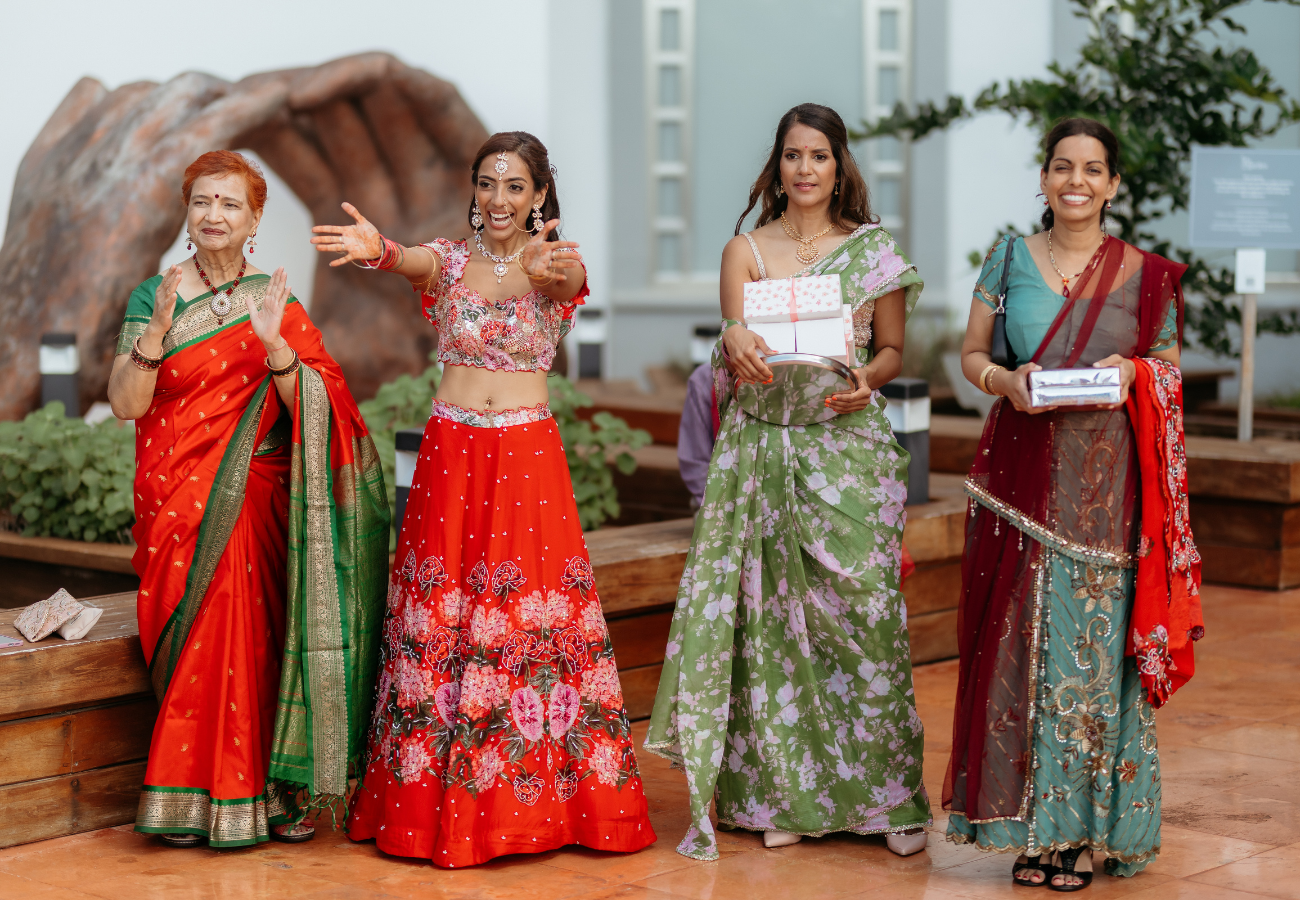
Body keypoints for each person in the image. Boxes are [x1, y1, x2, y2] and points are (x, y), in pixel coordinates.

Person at [312, 131, 655, 869]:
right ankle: (423, 803)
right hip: (452, 454)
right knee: (444, 612)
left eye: (515, 187)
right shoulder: (453, 261)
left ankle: (532, 809)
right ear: (474, 192)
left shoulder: (558, 261)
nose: (499, 200)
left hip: (526, 455)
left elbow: (566, 284)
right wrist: (379, 248)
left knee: (526, 610)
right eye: (488, 184)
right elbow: (412, 261)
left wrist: (542, 270)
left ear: (538, 198)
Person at [644, 103, 931, 861]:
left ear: (841, 167)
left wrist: (869, 378)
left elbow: (894, 350)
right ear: (776, 166)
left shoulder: (872, 254)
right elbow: (734, 346)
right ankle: (789, 797)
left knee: (866, 617)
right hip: (763, 453)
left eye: (820, 156)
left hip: (848, 454)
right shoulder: (747, 250)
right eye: (793, 156)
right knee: (773, 628)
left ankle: (890, 801)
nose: (805, 169)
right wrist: (731, 337)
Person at [947, 118, 1203, 890]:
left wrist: (1136, 372)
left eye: (1093, 170)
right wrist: (1004, 383)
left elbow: (1169, 369)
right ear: (1044, 176)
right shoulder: (1008, 258)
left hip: (1108, 493)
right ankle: (1035, 832)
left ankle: (1089, 832)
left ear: (1114, 183)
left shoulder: (1147, 275)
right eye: (1063, 167)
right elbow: (969, 356)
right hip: (1022, 489)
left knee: (1091, 658)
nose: (1076, 182)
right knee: (1022, 656)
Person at [108, 150, 389, 848]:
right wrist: (154, 333)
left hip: (256, 505)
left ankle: (269, 793)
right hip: (178, 506)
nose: (214, 215)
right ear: (187, 210)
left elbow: (324, 409)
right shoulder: (155, 294)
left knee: (258, 648)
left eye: (230, 204)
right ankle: (184, 798)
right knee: (197, 644)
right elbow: (124, 403)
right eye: (203, 201)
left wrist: (276, 351)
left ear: (254, 217)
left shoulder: (276, 301)